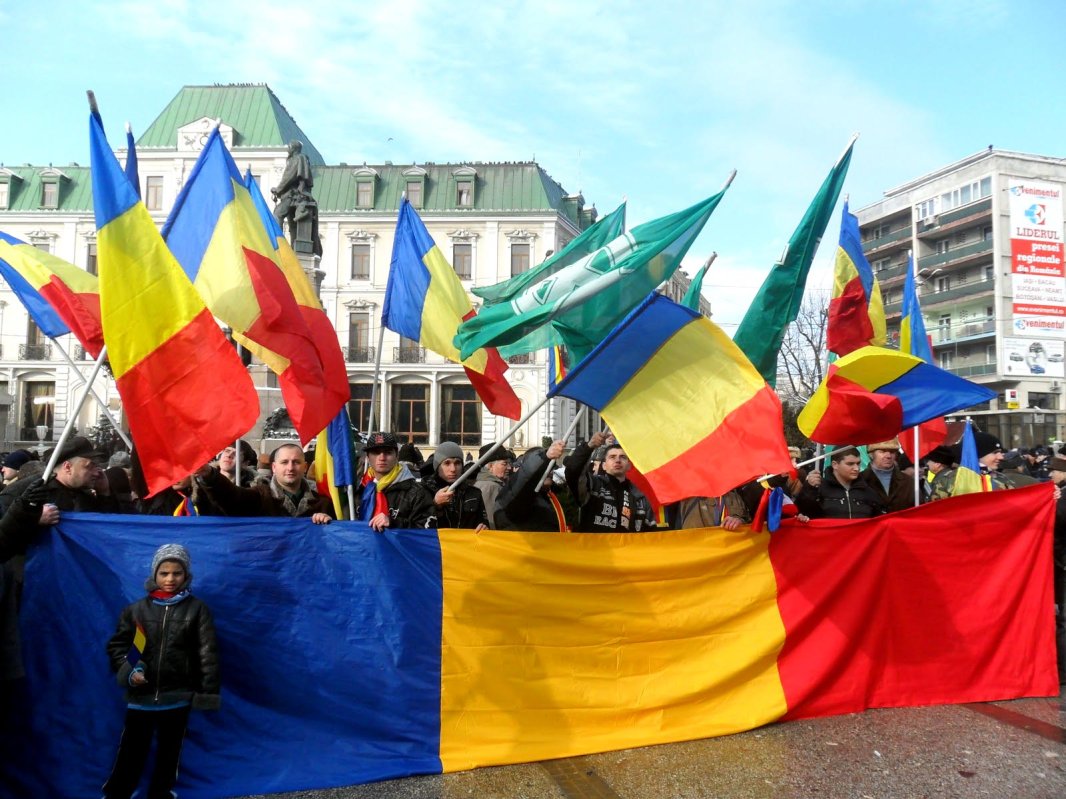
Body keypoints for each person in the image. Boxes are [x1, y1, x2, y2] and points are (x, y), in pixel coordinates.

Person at [102, 544, 220, 798]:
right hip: (140, 699)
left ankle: (161, 792)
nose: (170, 579)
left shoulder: (197, 610)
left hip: (177, 697)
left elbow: (207, 653)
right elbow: (120, 646)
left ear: (186, 575)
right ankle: (118, 792)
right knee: (131, 750)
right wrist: (131, 670)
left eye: (177, 573)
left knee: (170, 751)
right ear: (154, 575)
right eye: (164, 573)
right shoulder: (137, 610)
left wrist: (207, 691)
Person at [196, 443, 334, 523]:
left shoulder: (322, 503)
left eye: (296, 462)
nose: (290, 468)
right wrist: (210, 475)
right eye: (284, 462)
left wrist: (328, 522)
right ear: (274, 467)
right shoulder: (261, 495)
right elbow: (232, 497)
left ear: (305, 467)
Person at [563, 431, 656, 532]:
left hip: (629, 547)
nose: (618, 460)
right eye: (612, 457)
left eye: (623, 457)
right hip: (595, 547)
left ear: (629, 466)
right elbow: (573, 472)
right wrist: (589, 446)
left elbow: (651, 535)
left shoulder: (640, 499)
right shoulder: (594, 486)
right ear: (604, 465)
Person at [358, 432, 436, 531]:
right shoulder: (358, 490)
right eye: (376, 452)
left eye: (388, 452)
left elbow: (427, 532)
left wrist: (394, 523)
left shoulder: (417, 492)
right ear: (368, 457)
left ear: (397, 456)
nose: (382, 458)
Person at [495, 442, 569, 532]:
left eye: (552, 466)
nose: (550, 471)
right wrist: (544, 457)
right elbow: (525, 482)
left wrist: (588, 447)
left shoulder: (553, 494)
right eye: (545, 467)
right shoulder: (519, 495)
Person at [796, 447, 886, 519]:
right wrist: (809, 489)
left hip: (861, 541)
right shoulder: (818, 488)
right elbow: (802, 513)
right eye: (850, 464)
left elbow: (879, 521)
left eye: (858, 463)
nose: (856, 468)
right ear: (835, 464)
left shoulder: (867, 490)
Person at [421, 442, 488, 530]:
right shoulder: (422, 492)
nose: (453, 469)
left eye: (457, 463)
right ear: (437, 467)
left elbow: (483, 522)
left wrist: (484, 528)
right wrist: (435, 505)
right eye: (447, 463)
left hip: (466, 543)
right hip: (436, 543)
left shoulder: (474, 493)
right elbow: (417, 527)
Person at [929, 432, 1010, 499]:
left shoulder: (1003, 479)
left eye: (1000, 452)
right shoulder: (950, 480)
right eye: (995, 453)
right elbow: (935, 510)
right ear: (977, 454)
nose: (1001, 457)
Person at [1047, 457, 1066, 685]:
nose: (1051, 475)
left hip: (1062, 565)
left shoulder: (1063, 499)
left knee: (1062, 620)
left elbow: (1056, 523)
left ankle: (1063, 670)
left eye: (1055, 471)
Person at [860, 440, 916, 513]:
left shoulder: (908, 482)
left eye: (892, 452)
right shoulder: (859, 480)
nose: (888, 456)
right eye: (882, 451)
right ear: (871, 454)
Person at [473, 443, 512, 528]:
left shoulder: (489, 484)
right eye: (504, 464)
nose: (509, 468)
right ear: (491, 466)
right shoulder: (490, 487)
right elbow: (491, 520)